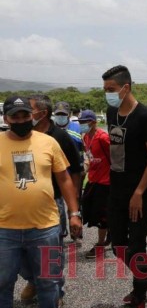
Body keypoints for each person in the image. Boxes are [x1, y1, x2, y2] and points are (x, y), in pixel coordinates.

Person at [0, 96, 81, 308]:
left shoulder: (49, 142)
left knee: (49, 279)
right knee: (3, 282)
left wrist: (74, 213)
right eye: (16, 116)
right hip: (5, 229)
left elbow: (65, 178)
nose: (22, 120)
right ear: (6, 119)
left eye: (26, 115)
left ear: (33, 116)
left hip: (45, 226)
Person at [102, 65, 147, 308]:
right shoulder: (111, 112)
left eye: (111, 90)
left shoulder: (145, 116)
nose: (108, 94)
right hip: (116, 189)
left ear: (125, 88)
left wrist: (139, 192)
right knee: (116, 245)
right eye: (105, 90)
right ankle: (145, 279)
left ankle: (139, 296)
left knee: (137, 245)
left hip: (139, 193)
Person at [19, 95, 83, 308]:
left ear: (42, 113)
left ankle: (55, 290)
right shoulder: (22, 136)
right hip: (22, 203)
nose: (25, 115)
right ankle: (33, 281)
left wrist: (74, 208)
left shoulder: (60, 138)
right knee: (18, 249)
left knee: (51, 250)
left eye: (29, 111)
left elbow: (74, 172)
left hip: (52, 202)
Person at [78, 110, 112, 259]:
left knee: (101, 215)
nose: (82, 125)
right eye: (80, 122)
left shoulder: (103, 137)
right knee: (87, 207)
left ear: (93, 122)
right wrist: (85, 170)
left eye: (84, 122)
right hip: (93, 180)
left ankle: (101, 244)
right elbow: (90, 157)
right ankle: (111, 234)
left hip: (106, 182)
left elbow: (116, 158)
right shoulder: (85, 137)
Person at [54, 101, 85, 244]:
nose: (60, 117)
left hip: (73, 172)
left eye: (63, 114)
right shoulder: (50, 129)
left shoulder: (76, 128)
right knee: (57, 205)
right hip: (56, 173)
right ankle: (60, 233)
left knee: (75, 203)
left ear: (69, 115)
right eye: (58, 114)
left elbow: (84, 148)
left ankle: (76, 232)